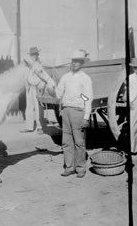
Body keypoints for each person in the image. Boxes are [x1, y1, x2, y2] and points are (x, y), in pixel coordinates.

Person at [54, 50, 93, 178]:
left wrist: (86, 116)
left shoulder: (85, 78)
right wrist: (50, 88)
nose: (74, 63)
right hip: (66, 111)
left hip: (78, 112)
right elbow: (59, 93)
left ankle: (80, 168)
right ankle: (69, 167)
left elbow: (87, 98)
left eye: (77, 61)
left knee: (79, 142)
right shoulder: (65, 77)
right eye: (73, 61)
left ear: (82, 63)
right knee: (66, 142)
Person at [21, 47, 44, 134]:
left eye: (34, 54)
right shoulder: (29, 65)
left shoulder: (39, 65)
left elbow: (41, 77)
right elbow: (26, 76)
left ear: (37, 55)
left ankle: (39, 127)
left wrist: (38, 86)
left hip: (36, 88)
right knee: (29, 107)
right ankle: (29, 126)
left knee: (38, 108)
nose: (33, 56)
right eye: (31, 54)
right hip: (29, 88)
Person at [129, 56, 137, 153]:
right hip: (135, 102)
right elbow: (129, 92)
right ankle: (131, 149)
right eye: (135, 68)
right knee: (134, 125)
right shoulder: (130, 78)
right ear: (133, 68)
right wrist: (130, 102)